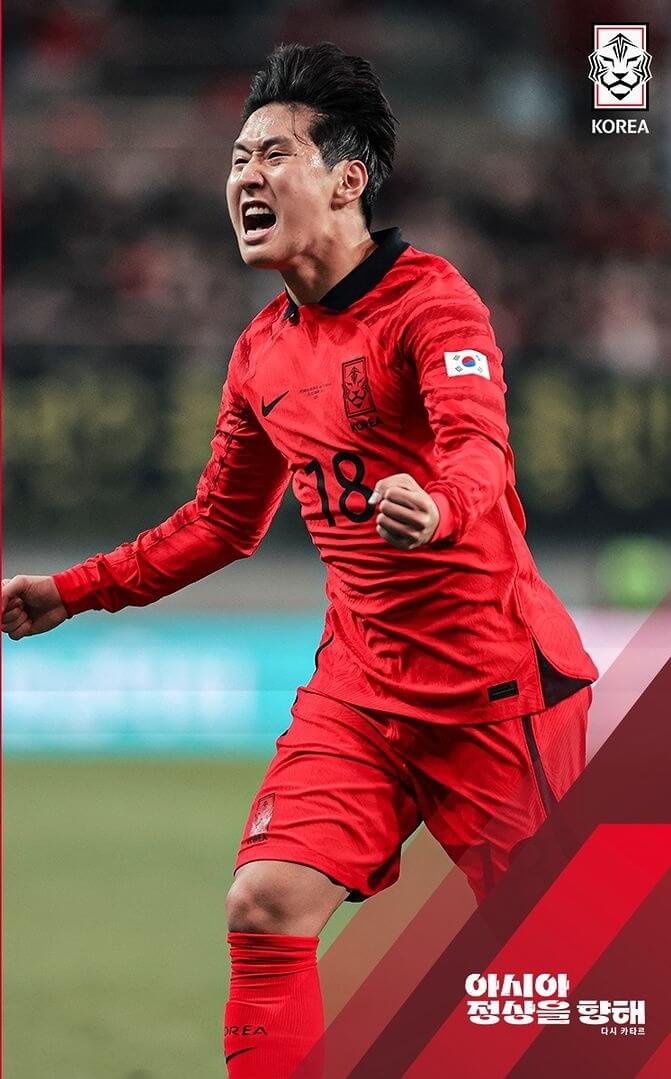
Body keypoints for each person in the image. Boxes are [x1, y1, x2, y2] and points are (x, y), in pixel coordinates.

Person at [2, 42, 598, 1079]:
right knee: (265, 900)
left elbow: (476, 446)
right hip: (359, 691)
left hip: (495, 693)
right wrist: (71, 591)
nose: (244, 176)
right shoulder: (260, 352)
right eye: (237, 159)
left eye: (271, 155)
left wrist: (440, 506)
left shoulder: (433, 304)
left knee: (567, 977)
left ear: (346, 179)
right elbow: (218, 523)